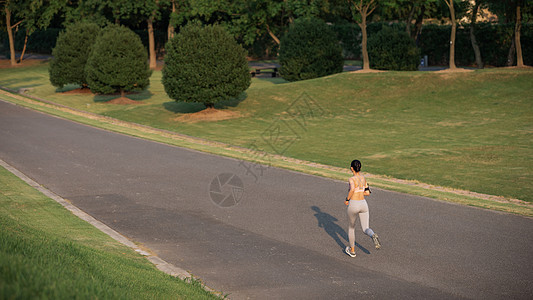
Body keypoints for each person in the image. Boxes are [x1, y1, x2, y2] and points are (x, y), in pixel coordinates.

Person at [344, 159, 381, 257]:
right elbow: (367, 193)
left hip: (354, 204)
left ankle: (352, 251)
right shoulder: (363, 178)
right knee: (366, 228)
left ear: (352, 168)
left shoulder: (351, 179)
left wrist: (347, 199)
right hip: (363, 204)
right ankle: (372, 234)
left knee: (351, 228)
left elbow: (352, 190)